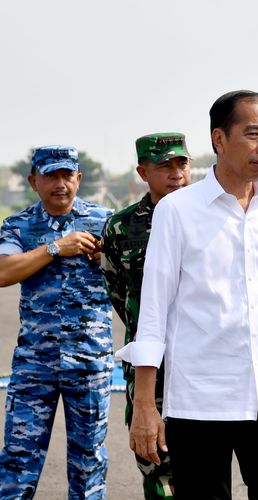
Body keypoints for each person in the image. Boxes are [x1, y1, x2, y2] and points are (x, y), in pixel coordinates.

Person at [116, 90, 258, 499]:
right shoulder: (177, 211)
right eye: (252, 134)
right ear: (219, 140)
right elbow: (152, 314)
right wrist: (144, 406)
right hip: (198, 402)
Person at [0, 146, 113, 498]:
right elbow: (3, 272)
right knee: (18, 460)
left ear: (79, 179)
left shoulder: (106, 221)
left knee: (88, 463)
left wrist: (104, 259)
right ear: (34, 181)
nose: (60, 183)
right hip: (35, 364)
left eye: (67, 175)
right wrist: (54, 248)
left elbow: (136, 273)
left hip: (90, 363)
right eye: (51, 175)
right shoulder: (18, 225)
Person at [101, 132, 192, 499]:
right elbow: (119, 295)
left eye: (182, 163)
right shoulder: (122, 228)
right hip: (149, 371)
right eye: (164, 165)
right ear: (143, 172)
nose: (176, 173)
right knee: (157, 463)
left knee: (206, 468)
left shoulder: (211, 215)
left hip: (203, 365)